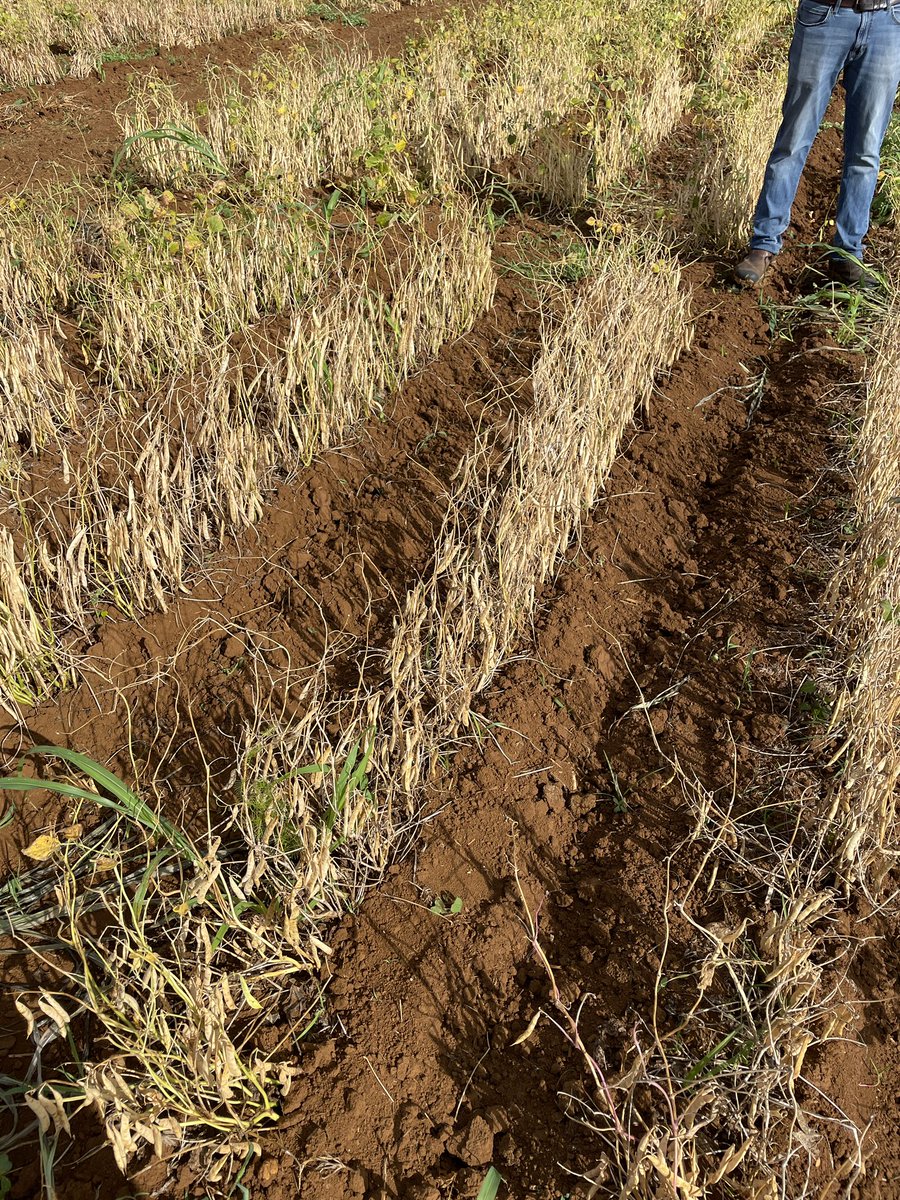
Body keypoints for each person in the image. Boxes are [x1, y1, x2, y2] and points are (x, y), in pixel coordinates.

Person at [734, 0, 900, 286]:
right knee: (793, 141)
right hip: (825, 15)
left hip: (888, 19)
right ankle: (764, 245)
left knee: (866, 151)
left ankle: (848, 254)